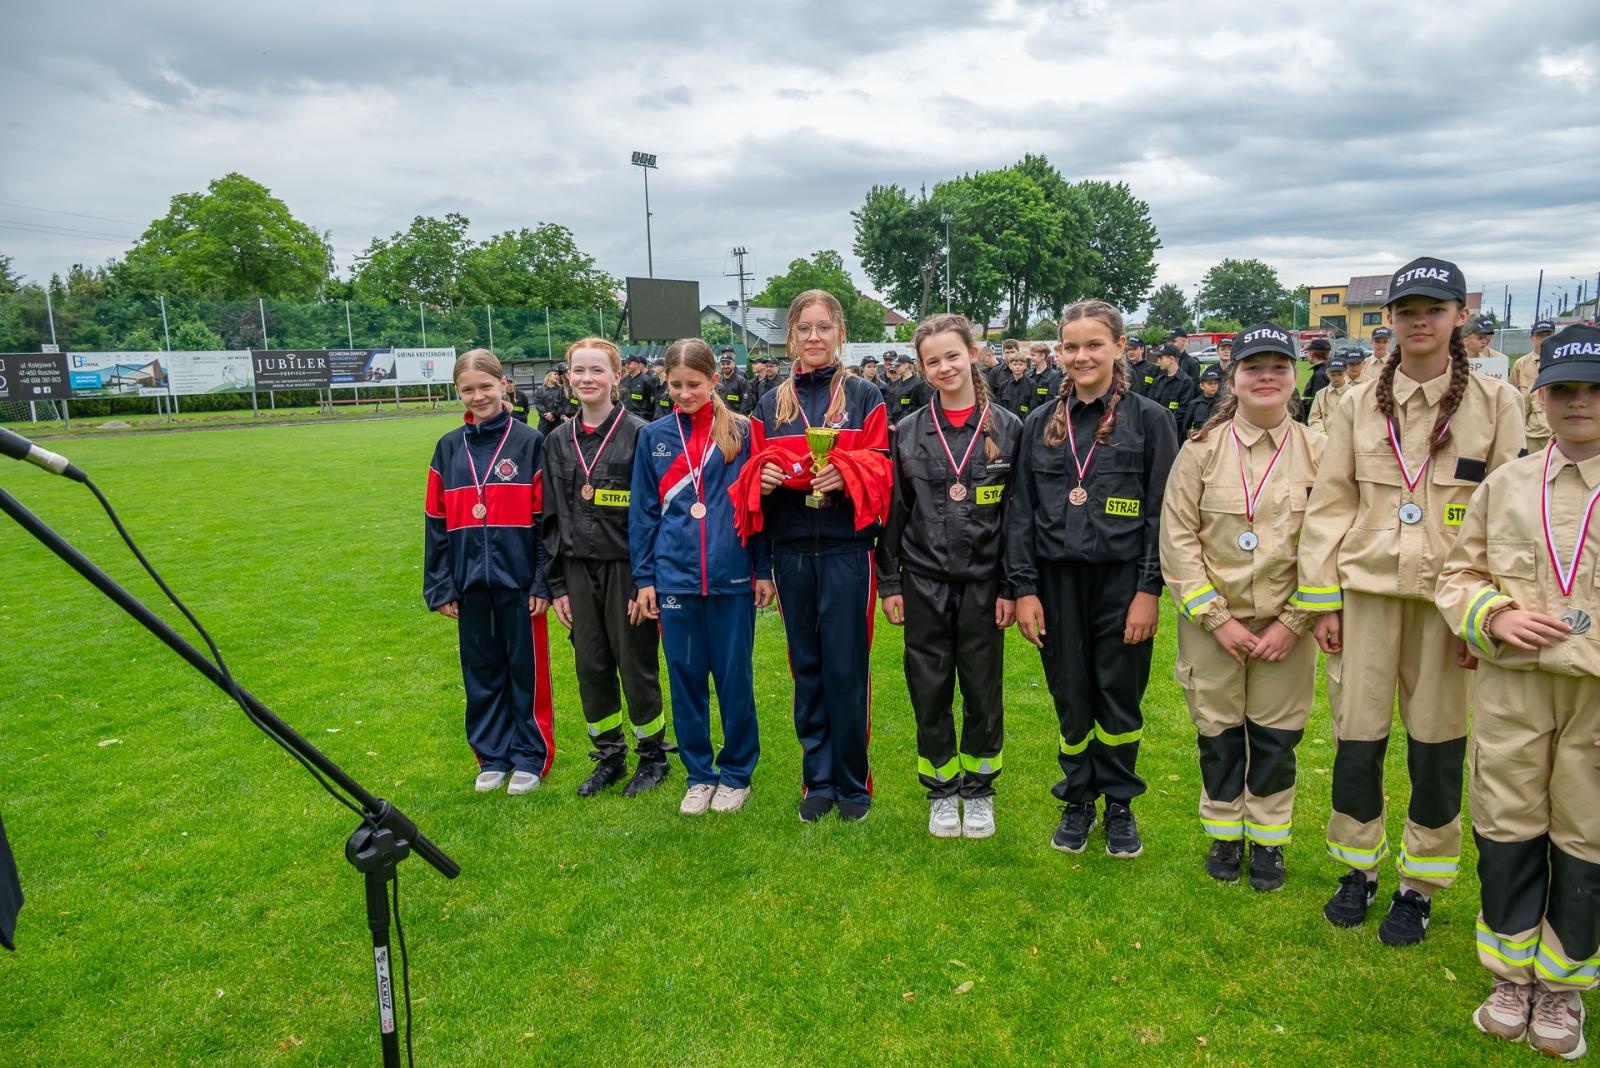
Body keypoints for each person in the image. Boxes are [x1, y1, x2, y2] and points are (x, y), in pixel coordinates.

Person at [1293, 256, 1526, 945]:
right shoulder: (1359, 401)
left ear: (1459, 316)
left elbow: (1509, 518)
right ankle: (1357, 867)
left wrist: (1484, 617)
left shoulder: (1496, 403)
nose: (1419, 321)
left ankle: (1419, 884)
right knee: (1356, 740)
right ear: (1390, 320)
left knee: (1437, 747)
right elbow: (1330, 505)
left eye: (1434, 309)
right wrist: (1323, 601)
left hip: (1448, 606)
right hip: (1366, 596)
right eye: (1407, 311)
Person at [1435, 324, 1600, 1058]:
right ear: (1543, 398)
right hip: (1515, 689)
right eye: (1564, 390)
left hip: (1594, 698)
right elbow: (1458, 575)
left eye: (1593, 390)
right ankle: (1509, 976)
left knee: (1588, 836)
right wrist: (1493, 614)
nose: (1578, 403)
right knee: (1506, 827)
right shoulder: (1507, 485)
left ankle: (1563, 987)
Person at [1010, 300, 1179, 858]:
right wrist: (1025, 589)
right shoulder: (1041, 423)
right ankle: (1079, 798)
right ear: (1060, 352)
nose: (1081, 356)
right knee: (1071, 694)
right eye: (1071, 346)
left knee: (1119, 695)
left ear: (1119, 347)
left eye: (1094, 345)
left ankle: (1120, 804)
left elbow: (1161, 514)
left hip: (1123, 582)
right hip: (1056, 583)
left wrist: (1149, 591)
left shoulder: (1150, 420)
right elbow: (1021, 512)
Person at [1161, 323, 1327, 892]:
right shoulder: (1200, 452)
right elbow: (1178, 541)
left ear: (1295, 377)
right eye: (1253, 368)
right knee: (1219, 735)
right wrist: (1217, 619)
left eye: (1278, 367)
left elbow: (1331, 543)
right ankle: (1225, 834)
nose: (1266, 377)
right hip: (1213, 627)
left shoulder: (1321, 453)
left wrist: (1295, 621)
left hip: (1287, 628)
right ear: (1234, 379)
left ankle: (1269, 841)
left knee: (1277, 740)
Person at [748, 289, 893, 823]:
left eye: (824, 327)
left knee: (847, 669)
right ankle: (819, 780)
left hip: (848, 552)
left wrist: (848, 474)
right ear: (791, 336)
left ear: (840, 334)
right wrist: (763, 480)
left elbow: (883, 470)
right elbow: (749, 485)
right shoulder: (770, 403)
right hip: (790, 553)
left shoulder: (865, 395)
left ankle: (854, 783)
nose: (814, 337)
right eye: (804, 328)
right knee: (806, 668)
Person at [878, 313, 1022, 839]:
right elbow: (894, 514)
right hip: (923, 581)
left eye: (953, 355)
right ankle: (941, 790)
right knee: (930, 688)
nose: (945, 367)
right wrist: (890, 583)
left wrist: (1010, 586)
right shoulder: (907, 431)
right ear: (921, 368)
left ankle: (979, 790)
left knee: (982, 690)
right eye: (932, 361)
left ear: (974, 354)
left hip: (984, 584)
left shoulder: (1009, 428)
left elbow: (1017, 517)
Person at [630, 338, 774, 815]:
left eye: (694, 384)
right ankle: (699, 775)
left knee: (735, 680)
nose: (685, 393)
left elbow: (759, 509)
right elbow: (643, 515)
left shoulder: (743, 432)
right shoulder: (654, 437)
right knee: (686, 679)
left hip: (732, 578)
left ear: (714, 380)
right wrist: (645, 578)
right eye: (676, 385)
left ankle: (736, 774)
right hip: (675, 580)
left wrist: (762, 570)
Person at [424, 348, 555, 796]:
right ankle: (492, 755)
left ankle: (530, 755)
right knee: (481, 672)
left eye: (485, 387)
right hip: (469, 583)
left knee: (526, 672)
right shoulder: (447, 448)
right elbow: (435, 522)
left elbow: (546, 521)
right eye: (468, 390)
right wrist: (442, 584)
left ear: (503, 385)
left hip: (520, 583)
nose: (478, 396)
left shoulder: (530, 442)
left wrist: (542, 580)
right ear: (457, 392)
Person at [541, 338, 668, 798]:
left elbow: (655, 516)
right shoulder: (556, 441)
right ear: (568, 377)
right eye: (579, 370)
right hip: (577, 570)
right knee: (590, 666)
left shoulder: (642, 434)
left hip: (627, 571)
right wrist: (557, 585)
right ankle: (609, 755)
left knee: (635, 664)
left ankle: (653, 757)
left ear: (617, 376)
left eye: (597, 370)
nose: (587, 378)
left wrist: (645, 580)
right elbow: (550, 518)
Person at [1508, 319, 1556, 453]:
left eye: (1548, 335)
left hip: (1558, 433)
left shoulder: (1563, 362)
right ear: (1532, 338)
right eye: (1540, 336)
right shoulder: (1521, 364)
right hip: (1532, 435)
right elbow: (1511, 395)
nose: (1544, 340)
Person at [1148, 344, 1196, 431]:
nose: (1158, 361)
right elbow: (1151, 403)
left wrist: (1165, 421)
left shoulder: (1186, 382)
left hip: (1175, 429)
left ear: (1171, 359)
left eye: (1161, 358)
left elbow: (1184, 409)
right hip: (1156, 427)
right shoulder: (1158, 380)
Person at [1306, 356, 1350, 432]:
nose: (1336, 378)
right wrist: (1322, 434)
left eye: (1340, 374)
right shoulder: (1320, 394)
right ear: (1327, 373)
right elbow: (1313, 418)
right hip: (1325, 437)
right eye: (1333, 375)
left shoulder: (1354, 393)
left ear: (1346, 373)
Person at [1182, 365, 1223, 439]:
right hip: (1199, 440)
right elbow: (1186, 427)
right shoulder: (1194, 404)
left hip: (1218, 440)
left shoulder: (1223, 403)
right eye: (1210, 383)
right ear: (1201, 386)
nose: (1213, 386)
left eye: (1216, 383)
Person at [996, 347, 1035, 417]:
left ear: (1025, 366)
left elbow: (1034, 407)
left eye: (1020, 364)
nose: (1017, 367)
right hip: (1008, 421)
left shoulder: (1032, 385)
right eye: (1015, 364)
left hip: (1026, 421)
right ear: (1010, 366)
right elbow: (1000, 408)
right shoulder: (1003, 386)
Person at [1298, 339, 1331, 423]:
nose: (1306, 355)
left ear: (1311, 353)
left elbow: (1316, 404)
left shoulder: (1319, 375)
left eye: (1307, 352)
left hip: (1317, 423)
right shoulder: (1328, 370)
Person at [619, 352, 658, 421]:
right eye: (625, 364)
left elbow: (652, 401)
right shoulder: (624, 380)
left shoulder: (647, 381)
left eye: (629, 363)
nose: (626, 366)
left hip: (641, 418)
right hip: (625, 417)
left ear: (637, 365)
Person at [717, 347, 754, 416]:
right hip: (720, 416)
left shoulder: (741, 380)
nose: (725, 366)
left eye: (728, 364)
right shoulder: (717, 380)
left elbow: (746, 400)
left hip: (736, 417)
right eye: (723, 364)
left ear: (733, 364)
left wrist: (740, 416)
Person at [1028, 341, 1063, 411]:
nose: (1031, 358)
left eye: (1033, 355)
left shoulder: (1054, 377)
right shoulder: (1027, 376)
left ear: (1042, 356)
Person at [535, 369, 566, 434]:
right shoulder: (540, 389)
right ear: (549, 376)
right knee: (542, 438)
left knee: (557, 439)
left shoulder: (561, 389)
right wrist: (547, 415)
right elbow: (538, 403)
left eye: (558, 375)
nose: (557, 376)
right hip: (544, 421)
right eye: (555, 374)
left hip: (557, 421)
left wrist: (552, 413)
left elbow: (561, 403)